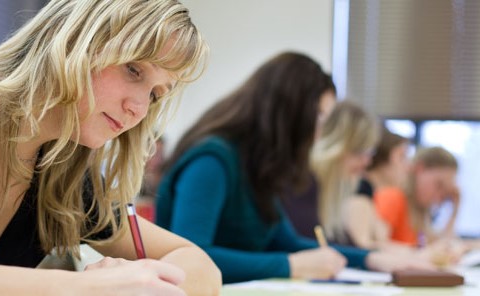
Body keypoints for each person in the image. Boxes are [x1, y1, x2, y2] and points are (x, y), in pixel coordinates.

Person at [0, 1, 221, 295]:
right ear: (74, 40)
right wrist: (78, 287)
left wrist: (140, 284)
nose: (140, 109)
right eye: (133, 69)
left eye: (157, 94)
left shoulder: (61, 175)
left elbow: (199, 265)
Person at [156, 52, 433, 284]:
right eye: (321, 116)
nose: (321, 130)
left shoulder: (258, 167)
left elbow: (288, 242)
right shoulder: (212, 161)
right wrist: (290, 265)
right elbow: (191, 256)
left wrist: (372, 259)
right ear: (293, 113)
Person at [283, 100, 381, 246]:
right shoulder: (302, 185)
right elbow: (307, 244)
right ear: (336, 145)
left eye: (369, 153)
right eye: (359, 151)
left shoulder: (333, 189)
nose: (367, 162)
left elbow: (336, 243)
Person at [374, 146, 461, 247]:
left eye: (445, 193)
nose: (438, 197)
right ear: (420, 169)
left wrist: (455, 209)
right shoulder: (393, 197)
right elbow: (376, 246)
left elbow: (444, 246)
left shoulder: (420, 211)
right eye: (439, 185)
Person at [348, 125, 412, 250]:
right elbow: (364, 246)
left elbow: (381, 240)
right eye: (402, 157)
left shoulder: (370, 193)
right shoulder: (359, 192)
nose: (408, 167)